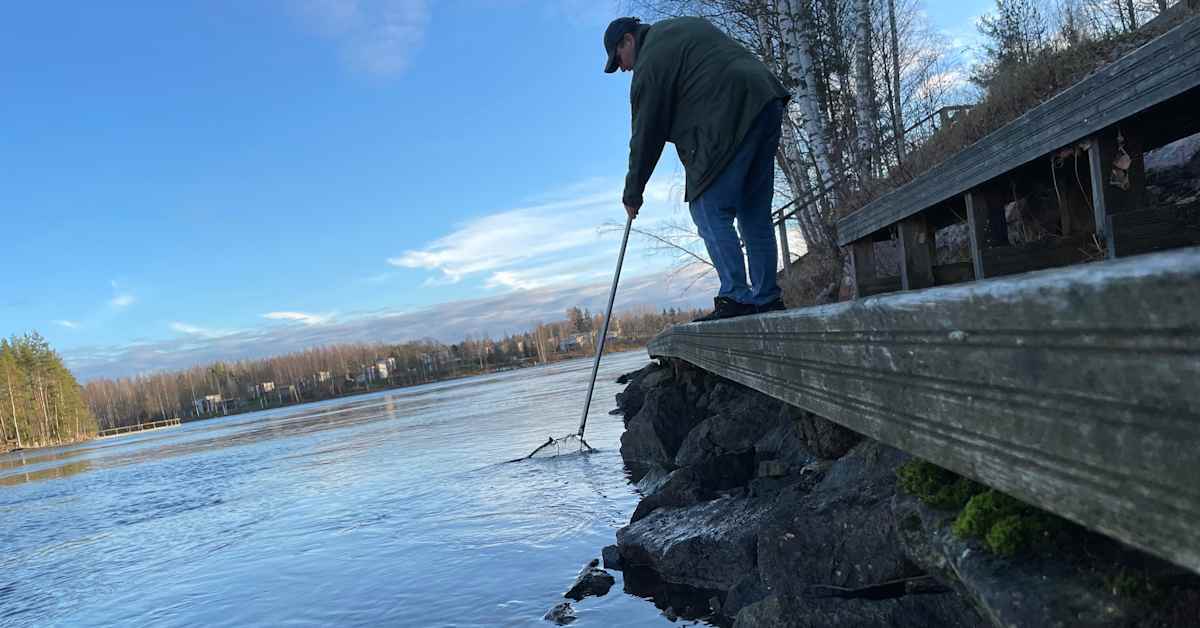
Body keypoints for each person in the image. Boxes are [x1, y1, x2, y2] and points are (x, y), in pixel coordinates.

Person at [603, 16, 790, 321]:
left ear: (628, 40)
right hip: (765, 100)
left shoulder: (649, 64)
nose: (623, 68)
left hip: (729, 113)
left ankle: (737, 297)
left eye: (618, 58)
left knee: (705, 207)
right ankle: (767, 298)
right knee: (753, 212)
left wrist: (633, 191)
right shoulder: (680, 27)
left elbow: (645, 134)